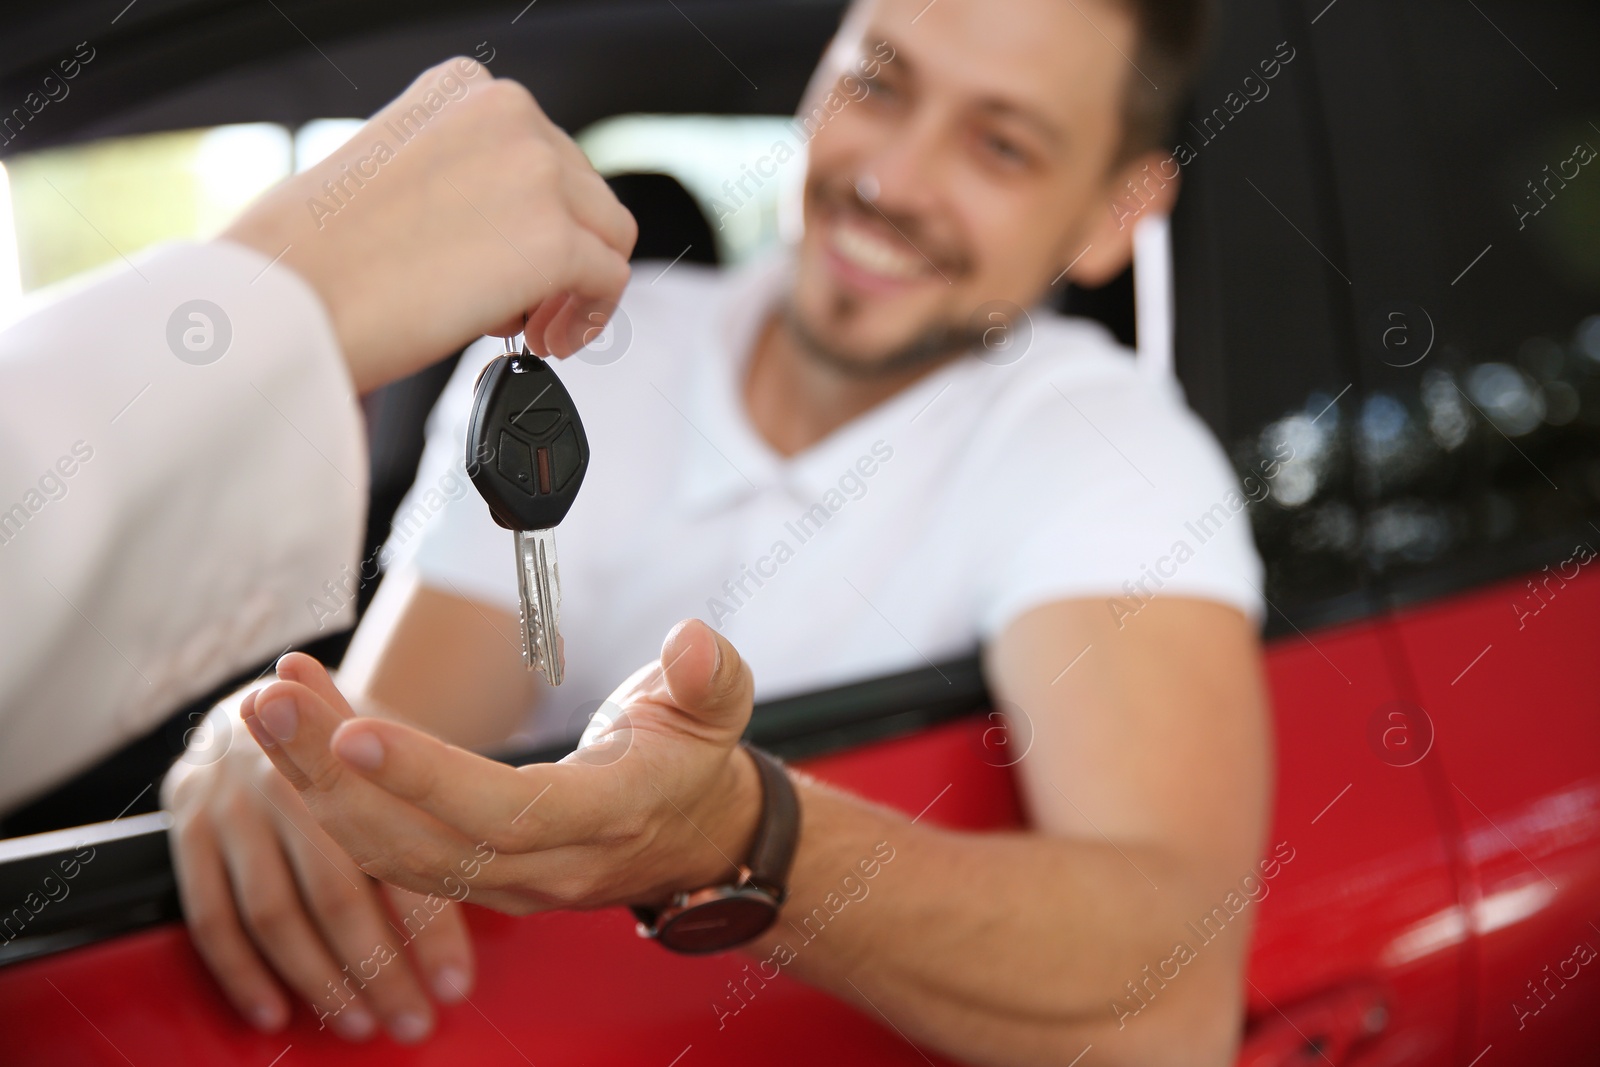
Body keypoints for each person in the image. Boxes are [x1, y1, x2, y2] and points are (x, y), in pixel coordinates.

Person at [167, 0, 1272, 1062]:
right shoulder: (585, 348)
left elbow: (1169, 1006)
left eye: (1000, 145)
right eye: (878, 84)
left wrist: (742, 839)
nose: (891, 178)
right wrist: (263, 747)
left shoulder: (1103, 449)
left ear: (1112, 215)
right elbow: (384, 745)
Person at [0, 57, 636, 811]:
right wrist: (285, 294)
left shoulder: (606, 357)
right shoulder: (630, 354)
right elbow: (380, 737)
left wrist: (280, 296)